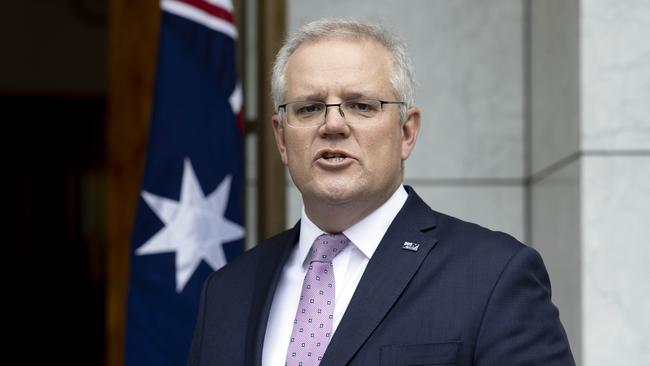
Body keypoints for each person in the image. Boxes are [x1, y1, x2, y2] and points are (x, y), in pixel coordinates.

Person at [187, 18, 575, 366]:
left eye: (360, 106)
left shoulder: (493, 275)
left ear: (407, 132)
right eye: (308, 109)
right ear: (282, 139)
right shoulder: (225, 291)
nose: (333, 125)